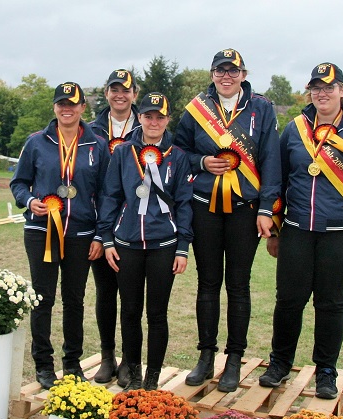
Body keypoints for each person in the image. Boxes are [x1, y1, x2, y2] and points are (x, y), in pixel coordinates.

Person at [259, 63, 343, 399]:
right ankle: (279, 363)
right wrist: (276, 231)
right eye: (316, 88)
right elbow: (278, 180)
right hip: (297, 231)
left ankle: (326, 371)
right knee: (288, 301)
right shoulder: (294, 130)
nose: (322, 93)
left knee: (331, 304)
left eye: (329, 88)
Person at [174, 49, 281, 392]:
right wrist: (202, 161)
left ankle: (234, 359)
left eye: (233, 71)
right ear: (212, 74)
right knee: (207, 284)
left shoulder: (261, 108)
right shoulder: (195, 109)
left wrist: (267, 208)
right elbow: (178, 155)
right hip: (204, 206)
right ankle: (206, 356)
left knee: (238, 285)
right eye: (221, 71)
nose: (226, 76)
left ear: (243, 74)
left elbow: (271, 161)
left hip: (244, 209)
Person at [10, 82, 110, 390]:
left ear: (83, 108)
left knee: (74, 299)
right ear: (54, 108)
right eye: (61, 104)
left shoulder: (97, 145)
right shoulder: (37, 142)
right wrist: (29, 201)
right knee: (42, 299)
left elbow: (107, 194)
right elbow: (19, 184)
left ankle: (72, 363)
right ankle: (43, 364)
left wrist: (100, 235)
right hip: (42, 231)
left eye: (72, 104)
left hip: (81, 232)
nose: (66, 109)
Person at [98, 92, 193, 391]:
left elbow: (185, 203)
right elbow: (110, 196)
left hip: (163, 244)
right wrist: (108, 240)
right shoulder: (123, 153)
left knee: (157, 314)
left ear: (168, 120)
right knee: (129, 310)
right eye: (148, 116)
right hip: (126, 244)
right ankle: (134, 376)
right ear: (140, 118)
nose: (154, 122)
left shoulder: (177, 156)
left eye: (160, 117)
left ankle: (152, 378)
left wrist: (183, 246)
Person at [89, 69, 141, 386]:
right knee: (106, 293)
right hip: (102, 221)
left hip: (136, 226)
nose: (120, 94)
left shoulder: (149, 125)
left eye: (126, 89)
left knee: (132, 297)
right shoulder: (92, 129)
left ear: (134, 93)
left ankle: (130, 360)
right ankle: (108, 356)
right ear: (107, 93)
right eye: (114, 89)